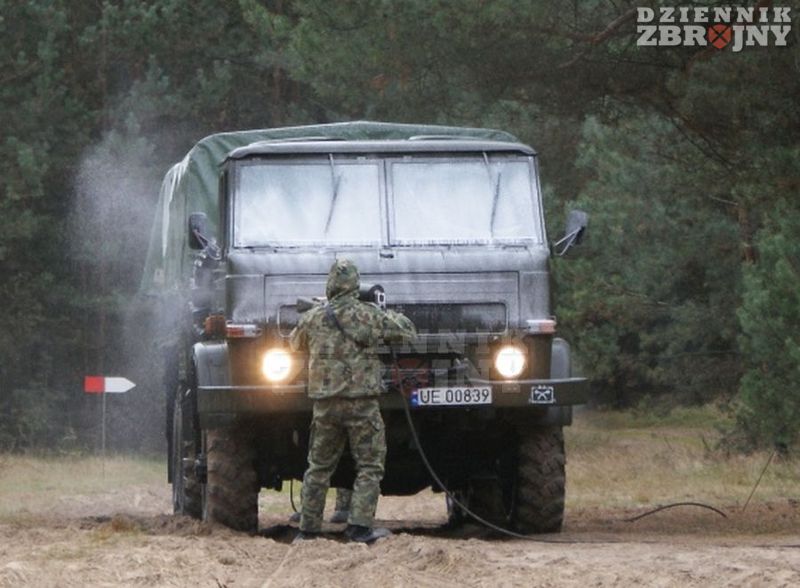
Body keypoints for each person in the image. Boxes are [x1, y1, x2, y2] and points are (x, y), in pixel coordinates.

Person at [290, 259, 416, 543]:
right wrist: (382, 310)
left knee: (319, 467)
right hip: (362, 405)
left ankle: (308, 529)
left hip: (326, 405)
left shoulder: (314, 317)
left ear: (330, 285)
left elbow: (294, 343)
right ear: (356, 285)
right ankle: (359, 527)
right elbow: (407, 330)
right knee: (369, 466)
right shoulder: (368, 315)